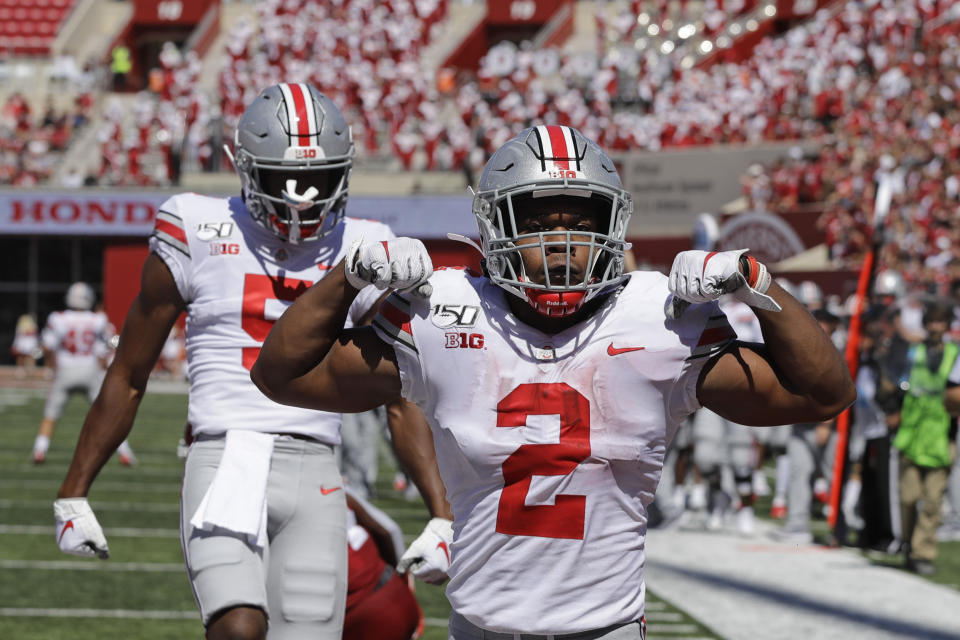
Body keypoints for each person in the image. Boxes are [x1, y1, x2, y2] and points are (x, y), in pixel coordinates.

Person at [253, 125, 855, 638]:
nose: (564, 245)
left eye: (583, 221)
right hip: (482, 623)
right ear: (495, 228)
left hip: (604, 626)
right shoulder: (442, 311)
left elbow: (823, 394)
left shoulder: (660, 318)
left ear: (614, 225)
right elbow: (282, 376)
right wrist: (348, 276)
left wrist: (758, 283)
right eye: (540, 223)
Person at [52, 83, 451, 640]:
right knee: (238, 627)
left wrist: (442, 512)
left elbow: (399, 393)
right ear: (243, 168)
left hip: (317, 465)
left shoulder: (366, 242)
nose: (302, 198)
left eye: (319, 179)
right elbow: (129, 373)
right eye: (284, 180)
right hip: (224, 455)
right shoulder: (194, 225)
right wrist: (73, 492)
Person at [32, 282, 135, 466]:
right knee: (108, 415)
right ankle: (124, 452)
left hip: (66, 370)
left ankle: (39, 451)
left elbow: (48, 345)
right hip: (89, 370)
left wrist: (50, 364)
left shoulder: (58, 318)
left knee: (50, 415)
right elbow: (106, 346)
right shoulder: (98, 319)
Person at [893, 303, 959, 575]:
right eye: (931, 321)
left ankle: (923, 554)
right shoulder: (913, 352)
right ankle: (908, 542)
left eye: (940, 322)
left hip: (942, 436)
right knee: (908, 497)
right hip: (912, 433)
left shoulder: (955, 353)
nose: (935, 327)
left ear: (946, 326)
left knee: (933, 501)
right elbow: (897, 384)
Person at [343, 486, 423, 640]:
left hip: (356, 612)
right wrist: (404, 586)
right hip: (391, 591)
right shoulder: (334, 485)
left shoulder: (287, 496)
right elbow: (389, 530)